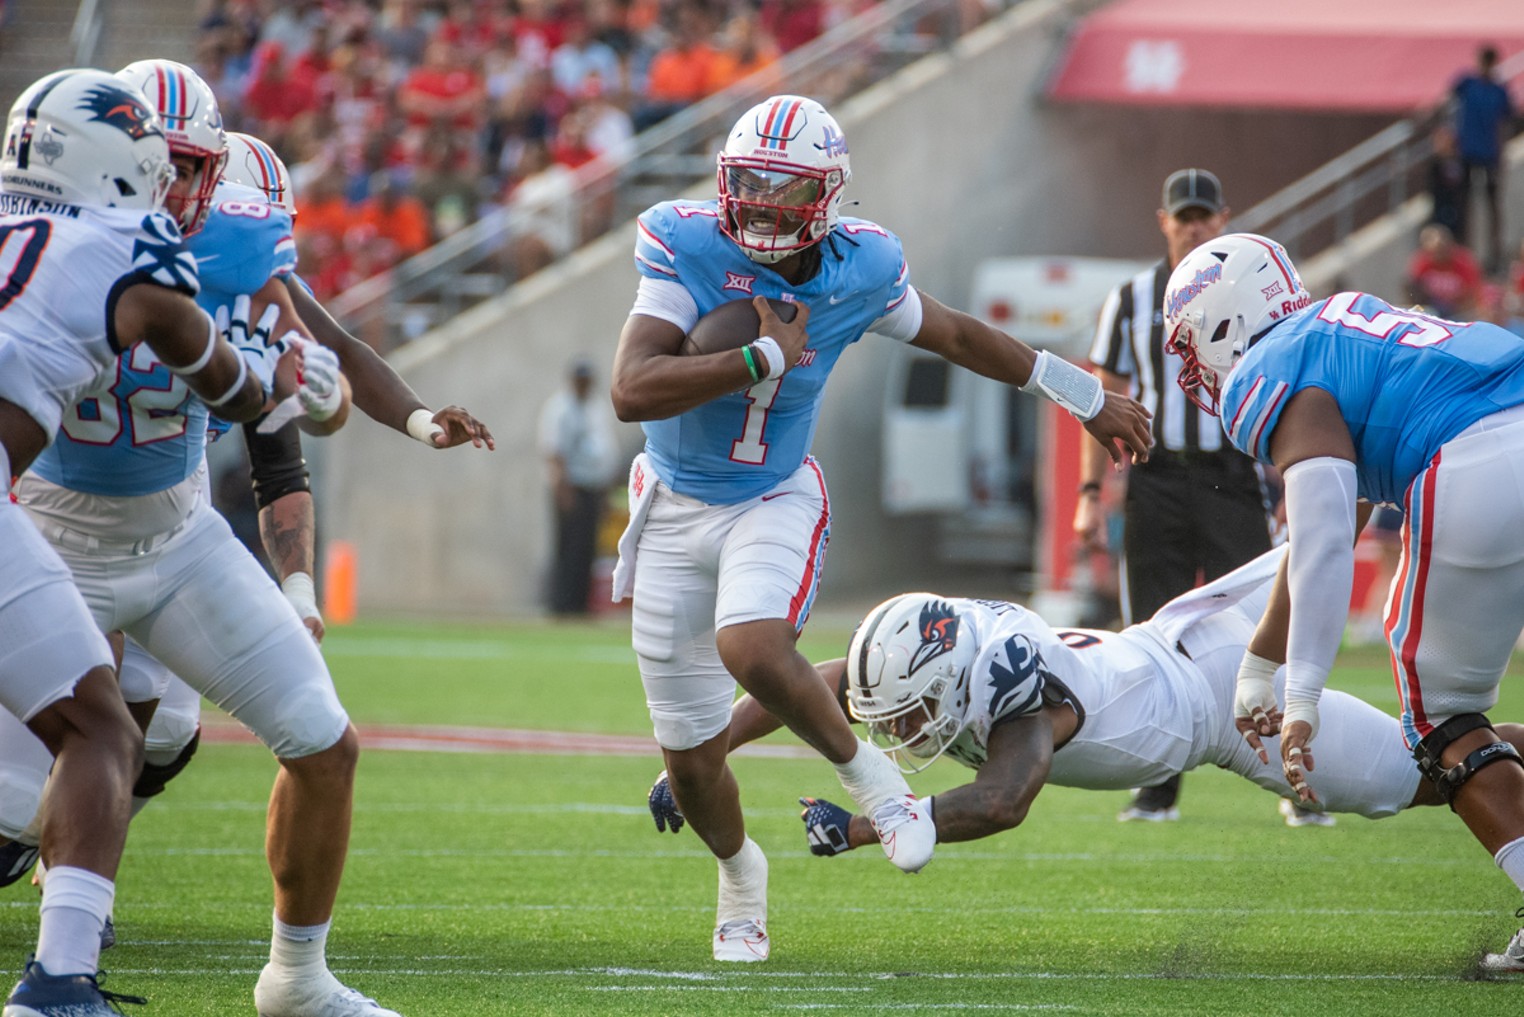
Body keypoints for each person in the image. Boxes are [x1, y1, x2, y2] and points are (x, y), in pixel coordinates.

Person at [610, 93, 1152, 962]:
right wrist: (763, 356)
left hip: (772, 495)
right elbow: (632, 388)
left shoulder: (860, 270)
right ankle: (742, 875)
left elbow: (961, 337)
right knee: (692, 762)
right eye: (744, 181)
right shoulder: (686, 241)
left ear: (825, 198)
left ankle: (875, 781)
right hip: (671, 502)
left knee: (751, 645)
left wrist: (1082, 394)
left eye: (779, 189)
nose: (755, 202)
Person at [1163, 230, 1524, 976]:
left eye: (1192, 340)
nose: (1193, 363)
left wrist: (1303, 693)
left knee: (1440, 719)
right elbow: (1336, 521)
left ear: (1224, 321)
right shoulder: (1334, 322)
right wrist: (1261, 662)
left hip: (1482, 461)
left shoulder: (1270, 368)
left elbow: (1325, 538)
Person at [648, 548, 1507, 855]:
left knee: (1424, 772)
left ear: (951, 681)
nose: (900, 731)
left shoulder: (1021, 694)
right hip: (1167, 648)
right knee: (1433, 765)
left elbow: (1001, 800)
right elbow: (821, 676)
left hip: (1219, 698)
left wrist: (867, 825)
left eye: (911, 715)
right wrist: (704, 752)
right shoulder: (941, 659)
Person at [0, 67, 275, 1016]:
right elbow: (240, 394)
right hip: (36, 511)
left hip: (82, 514)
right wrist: (290, 377)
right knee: (99, 728)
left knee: (111, 723)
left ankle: (58, 976)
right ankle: (55, 982)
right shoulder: (129, 244)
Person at [1075, 169, 1277, 825]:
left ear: (1224, 219)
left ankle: (1297, 778)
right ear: (1163, 220)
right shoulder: (1132, 298)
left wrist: (1286, 477)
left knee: (1260, 627)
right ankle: (1157, 785)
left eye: (1203, 215)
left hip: (1233, 473)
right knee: (1152, 633)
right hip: (1157, 477)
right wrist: (1087, 491)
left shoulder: (1256, 292)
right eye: (1182, 216)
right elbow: (1098, 399)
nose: (1193, 225)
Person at [539, 359, 619, 616]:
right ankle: (562, 605)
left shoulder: (596, 406)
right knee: (568, 546)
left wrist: (606, 489)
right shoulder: (560, 408)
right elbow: (554, 452)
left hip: (593, 485)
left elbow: (604, 448)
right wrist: (563, 490)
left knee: (587, 547)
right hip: (571, 486)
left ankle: (581, 605)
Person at [1450, 45, 1516, 272]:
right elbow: (1446, 103)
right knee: (1465, 203)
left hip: (1489, 154)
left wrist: (1502, 154)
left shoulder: (1499, 91)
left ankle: (1494, 254)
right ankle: (1465, 251)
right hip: (1468, 151)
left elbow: (1506, 123)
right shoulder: (1467, 83)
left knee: (1491, 205)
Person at [1406, 222, 1483, 320]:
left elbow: (1473, 295)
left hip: (1459, 313)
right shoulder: (1422, 262)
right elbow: (1412, 289)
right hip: (1431, 310)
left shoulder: (1464, 262)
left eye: (1442, 249)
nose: (1439, 254)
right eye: (1435, 251)